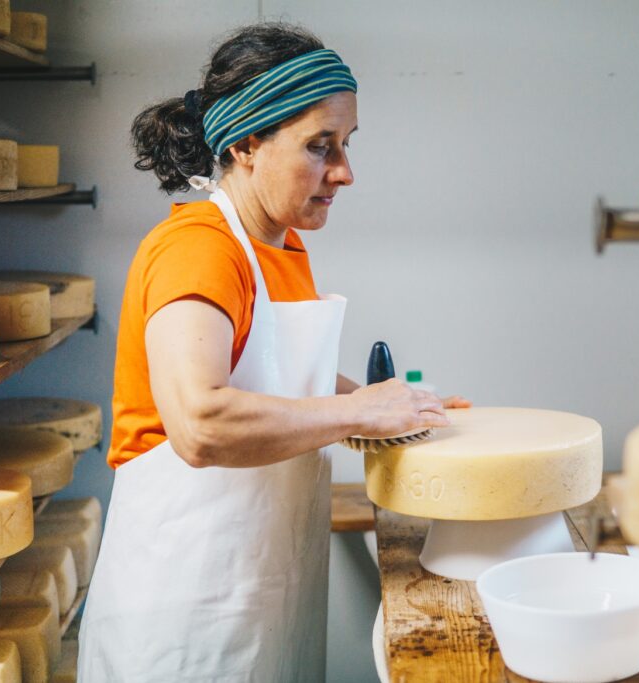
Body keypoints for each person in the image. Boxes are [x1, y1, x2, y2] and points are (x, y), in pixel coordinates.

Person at [78, 22, 470, 682]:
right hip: (183, 617)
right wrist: (359, 414)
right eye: (320, 147)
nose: (344, 172)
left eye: (345, 145)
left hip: (267, 594)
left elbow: (280, 380)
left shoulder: (282, 247)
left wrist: (394, 406)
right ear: (246, 143)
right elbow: (200, 423)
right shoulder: (199, 248)